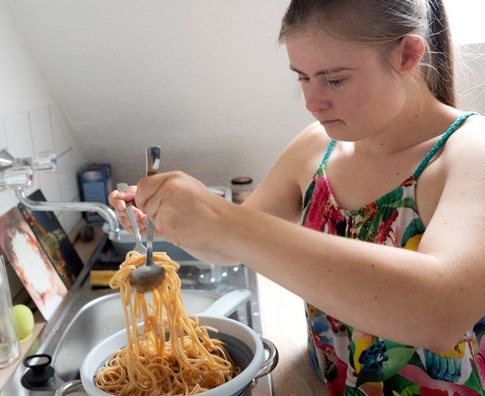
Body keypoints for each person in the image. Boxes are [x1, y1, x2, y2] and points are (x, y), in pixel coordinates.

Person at [109, 0, 485, 394]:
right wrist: (171, 218)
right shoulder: (316, 147)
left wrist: (222, 219)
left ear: (408, 54)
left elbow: (440, 312)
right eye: (302, 78)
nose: (312, 101)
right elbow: (231, 249)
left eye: (334, 80)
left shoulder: (468, 151)